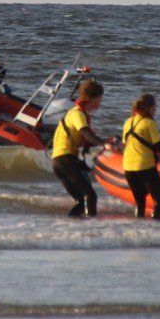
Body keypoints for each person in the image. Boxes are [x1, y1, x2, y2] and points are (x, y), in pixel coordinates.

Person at [51, 79, 113, 218]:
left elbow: (86, 139)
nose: (100, 102)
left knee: (82, 201)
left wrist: (105, 141)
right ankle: (90, 228)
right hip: (65, 160)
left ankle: (72, 227)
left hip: (59, 162)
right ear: (91, 98)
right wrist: (103, 144)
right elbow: (85, 133)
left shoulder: (78, 113)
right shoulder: (77, 114)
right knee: (90, 196)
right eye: (99, 98)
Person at [121, 93, 160, 220]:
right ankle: (154, 226)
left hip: (128, 167)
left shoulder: (128, 122)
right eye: (154, 107)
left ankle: (140, 227)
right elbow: (159, 146)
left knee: (140, 201)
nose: (155, 110)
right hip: (145, 167)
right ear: (149, 108)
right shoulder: (149, 123)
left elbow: (125, 144)